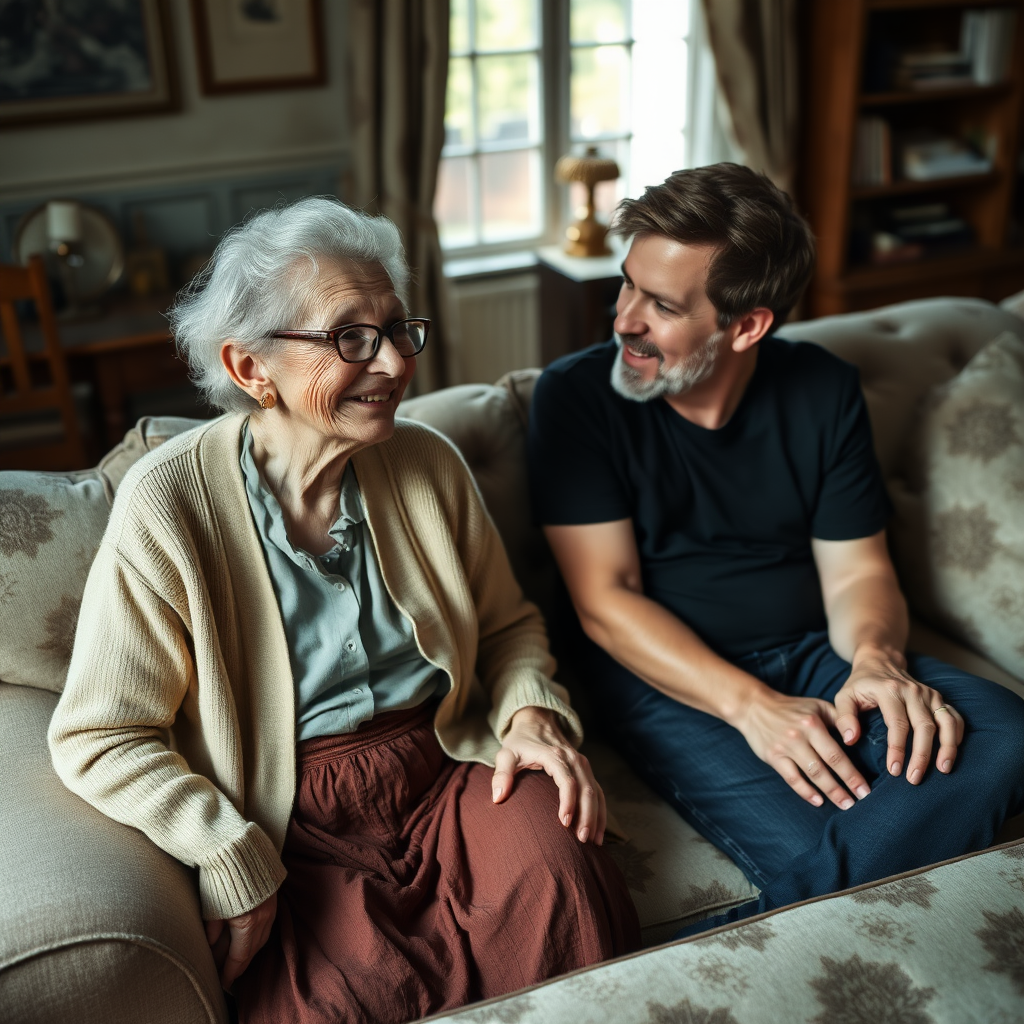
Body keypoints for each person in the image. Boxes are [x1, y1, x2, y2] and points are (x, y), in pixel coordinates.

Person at [48, 197, 639, 1023]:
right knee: (336, 999)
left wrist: (532, 715)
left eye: (400, 330)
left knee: (564, 885)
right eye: (350, 338)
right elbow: (100, 734)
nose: (396, 364)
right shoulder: (168, 503)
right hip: (287, 812)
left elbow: (508, 629)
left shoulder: (427, 463)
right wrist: (225, 850)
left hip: (447, 760)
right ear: (252, 370)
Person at [527, 163, 1024, 930]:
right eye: (627, 286)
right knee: (832, 833)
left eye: (660, 304)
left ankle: (775, 919)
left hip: (816, 649)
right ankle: (797, 913)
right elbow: (605, 602)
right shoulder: (575, 397)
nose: (624, 319)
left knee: (1004, 734)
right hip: (671, 683)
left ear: (746, 324)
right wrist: (754, 708)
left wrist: (875, 665)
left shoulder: (821, 388)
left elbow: (858, 568)